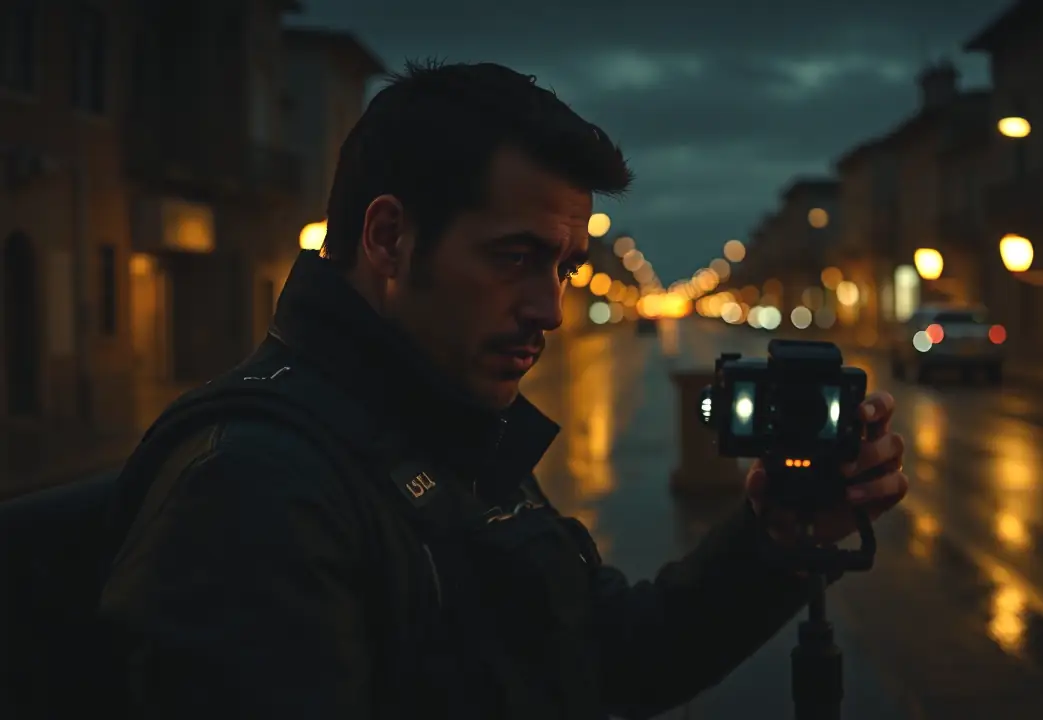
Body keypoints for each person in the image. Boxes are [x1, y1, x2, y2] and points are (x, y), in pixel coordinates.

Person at [98, 60, 909, 720]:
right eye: (514, 258)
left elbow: (605, 656)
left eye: (561, 268)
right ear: (389, 238)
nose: (549, 310)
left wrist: (774, 540)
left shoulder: (438, 422)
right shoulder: (253, 492)